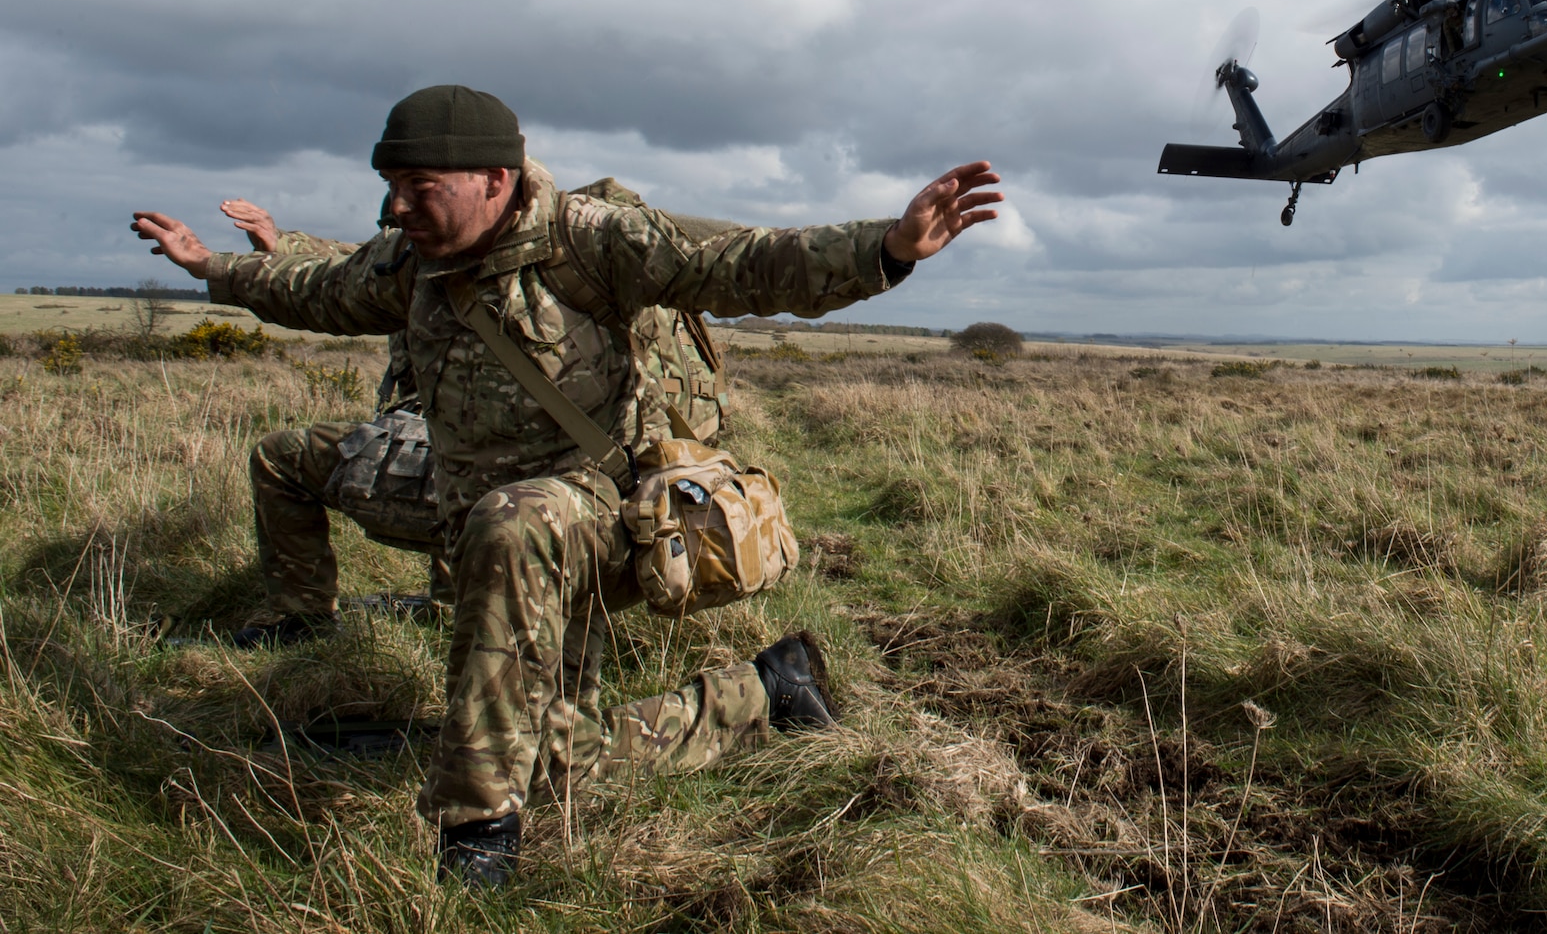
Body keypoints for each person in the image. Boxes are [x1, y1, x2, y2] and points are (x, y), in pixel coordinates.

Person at [133, 85, 1001, 888]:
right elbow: (316, 288)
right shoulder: (415, 262)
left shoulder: (589, 239)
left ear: (493, 179)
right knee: (554, 760)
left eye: (418, 185)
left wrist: (884, 249)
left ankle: (475, 832)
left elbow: (739, 262)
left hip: (598, 519)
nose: (396, 207)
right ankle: (764, 691)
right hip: (475, 520)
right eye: (390, 185)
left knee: (514, 524)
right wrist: (212, 268)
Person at [218, 189, 738, 648]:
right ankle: (462, 602)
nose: (406, 237)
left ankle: (301, 616)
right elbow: (361, 266)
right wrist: (281, 244)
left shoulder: (495, 277)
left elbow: (365, 272)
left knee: (286, 457)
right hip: (649, 495)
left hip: (548, 504)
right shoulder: (615, 279)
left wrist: (276, 250)